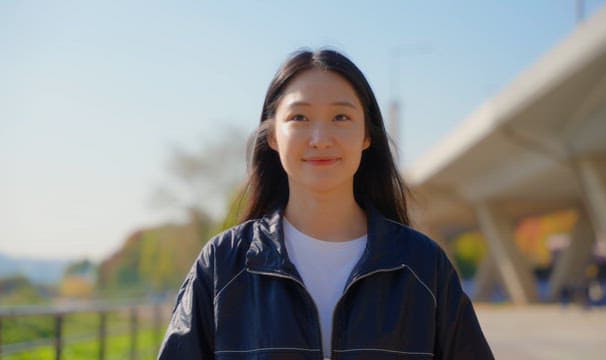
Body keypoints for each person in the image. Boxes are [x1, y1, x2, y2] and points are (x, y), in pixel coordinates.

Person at [158, 49, 494, 359]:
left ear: (367, 136)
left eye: (341, 118)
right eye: (299, 117)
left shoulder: (423, 267)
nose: (320, 139)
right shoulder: (223, 265)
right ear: (273, 135)